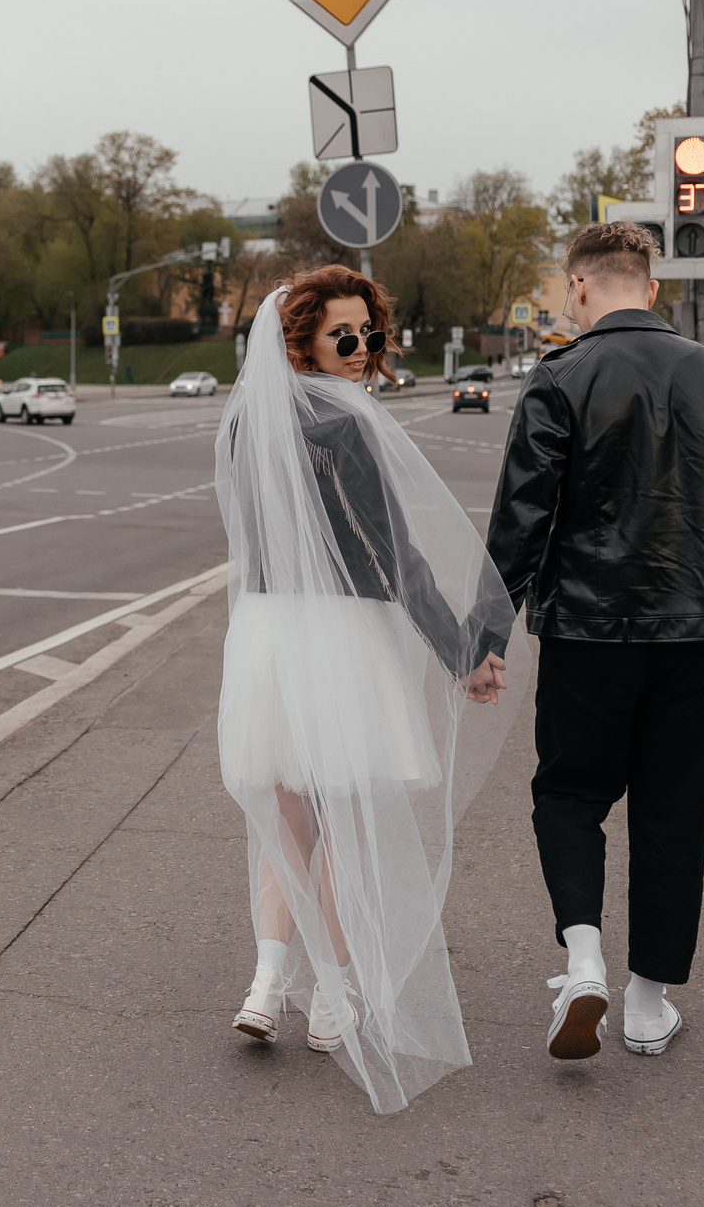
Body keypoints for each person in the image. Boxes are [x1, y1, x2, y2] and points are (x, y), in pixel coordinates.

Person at [216, 265, 516, 1114]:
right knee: (343, 820)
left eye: (370, 335)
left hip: (270, 635)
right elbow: (394, 555)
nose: (360, 350)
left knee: (287, 819)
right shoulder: (349, 419)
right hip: (344, 637)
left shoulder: (248, 418)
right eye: (343, 335)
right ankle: (335, 997)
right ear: (303, 337)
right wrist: (463, 649)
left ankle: (267, 984)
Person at [484, 221, 704, 1063]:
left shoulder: (561, 377)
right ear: (653, 287)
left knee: (570, 793)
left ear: (577, 287)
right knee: (674, 808)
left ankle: (584, 961)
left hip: (587, 627)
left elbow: (521, 516)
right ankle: (647, 1004)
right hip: (695, 629)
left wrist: (485, 629)